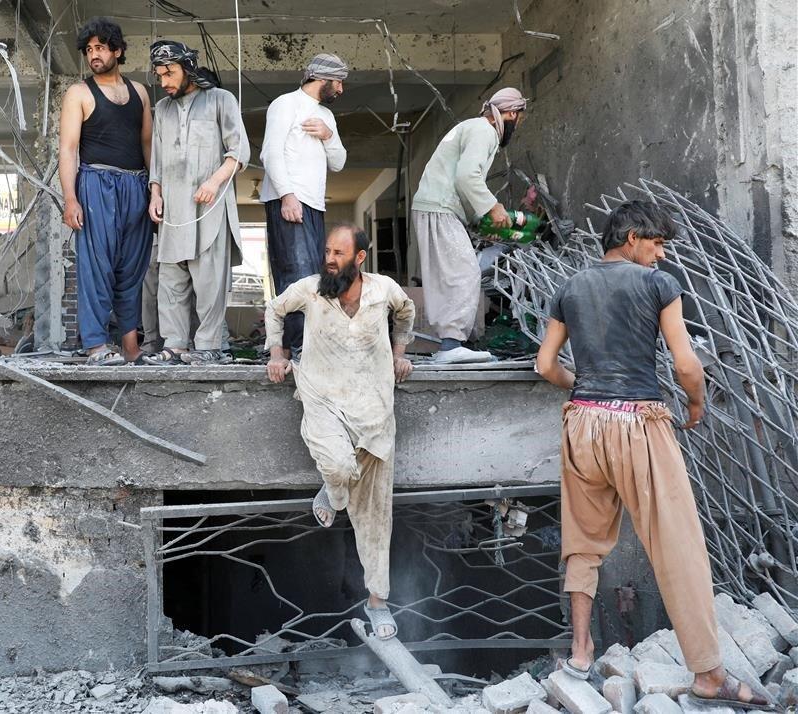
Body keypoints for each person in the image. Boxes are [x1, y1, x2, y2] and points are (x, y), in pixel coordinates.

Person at [535, 201, 773, 710]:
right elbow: (686, 363)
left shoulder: (570, 288)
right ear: (629, 237)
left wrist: (583, 390)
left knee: (582, 541)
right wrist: (696, 401)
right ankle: (709, 674)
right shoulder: (657, 286)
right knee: (678, 545)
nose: (661, 255)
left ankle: (580, 652)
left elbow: (545, 364)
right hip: (639, 423)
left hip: (582, 422)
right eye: (656, 244)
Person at [265, 223, 416, 640]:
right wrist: (278, 354)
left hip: (375, 408)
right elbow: (275, 308)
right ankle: (332, 490)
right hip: (323, 398)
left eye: (339, 253)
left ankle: (377, 603)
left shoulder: (383, 290)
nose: (330, 260)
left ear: (360, 258)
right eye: (327, 251)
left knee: (376, 515)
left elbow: (406, 314)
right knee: (336, 466)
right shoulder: (312, 288)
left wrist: (401, 353)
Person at [144, 39, 250, 366]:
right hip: (174, 207)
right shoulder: (161, 109)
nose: (164, 82)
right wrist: (155, 194)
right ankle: (174, 345)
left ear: (187, 68)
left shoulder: (221, 100)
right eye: (160, 76)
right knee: (171, 281)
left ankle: (207, 346)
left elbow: (239, 152)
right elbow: (157, 160)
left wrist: (215, 182)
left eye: (170, 73)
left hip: (210, 206)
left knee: (209, 281)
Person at [60, 17, 154, 365]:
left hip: (136, 184)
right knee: (97, 267)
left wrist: (154, 189)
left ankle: (131, 349)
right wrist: (71, 199)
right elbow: (68, 150)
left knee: (132, 269)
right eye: (88, 50)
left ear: (117, 49)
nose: (93, 55)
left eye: (100, 47)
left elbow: (148, 145)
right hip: (96, 184)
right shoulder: (79, 93)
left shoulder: (140, 92)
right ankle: (97, 344)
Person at [411, 87, 527, 364]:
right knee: (465, 273)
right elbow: (467, 176)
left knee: (449, 276)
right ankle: (451, 346)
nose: (518, 124)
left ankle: (449, 345)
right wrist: (493, 206)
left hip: (435, 206)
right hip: (439, 207)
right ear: (511, 113)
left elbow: (461, 178)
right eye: (519, 118)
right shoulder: (485, 131)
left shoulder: (471, 127)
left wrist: (477, 219)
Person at [259, 53, 348, 359]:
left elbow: (338, 162)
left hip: (313, 204)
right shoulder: (286, 104)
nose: (340, 90)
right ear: (322, 79)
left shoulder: (327, 116)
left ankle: (304, 346)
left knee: (313, 277)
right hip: (289, 200)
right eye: (338, 82)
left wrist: (328, 135)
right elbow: (270, 154)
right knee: (295, 276)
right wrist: (287, 195)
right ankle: (296, 349)